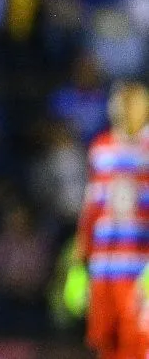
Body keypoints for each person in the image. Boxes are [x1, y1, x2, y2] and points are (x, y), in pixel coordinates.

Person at [77, 80, 149, 359]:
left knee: (138, 343)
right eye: (120, 104)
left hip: (139, 268)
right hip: (104, 266)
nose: (126, 111)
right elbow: (92, 204)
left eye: (133, 104)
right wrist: (83, 250)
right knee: (105, 344)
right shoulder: (101, 147)